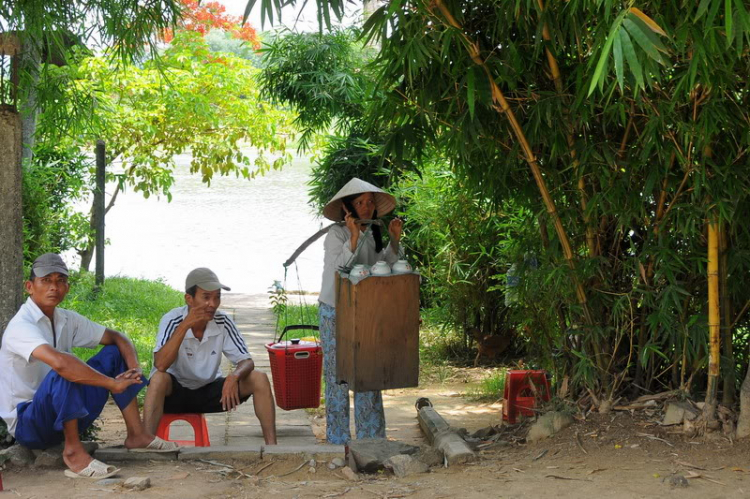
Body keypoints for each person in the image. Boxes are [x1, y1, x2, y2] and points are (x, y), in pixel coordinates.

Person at [0, 253, 177, 480]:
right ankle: (73, 451)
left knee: (114, 352)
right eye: (46, 281)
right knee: (65, 370)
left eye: (60, 281)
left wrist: (134, 368)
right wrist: (112, 383)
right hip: (30, 424)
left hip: (62, 415)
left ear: (67, 286)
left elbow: (117, 337)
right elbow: (62, 365)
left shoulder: (65, 318)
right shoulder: (21, 326)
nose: (54, 287)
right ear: (29, 287)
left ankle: (137, 434)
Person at [142, 268, 277, 445]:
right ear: (189, 299)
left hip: (210, 392)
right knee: (158, 379)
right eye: (206, 297)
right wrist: (184, 326)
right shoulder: (172, 319)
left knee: (259, 378)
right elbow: (160, 364)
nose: (212, 304)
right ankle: (145, 442)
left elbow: (246, 360)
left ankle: (272, 447)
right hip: (174, 394)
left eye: (217, 297)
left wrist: (234, 377)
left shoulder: (222, 321)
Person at [318, 178, 403, 444]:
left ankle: (371, 437)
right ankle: (338, 438)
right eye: (360, 202)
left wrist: (394, 240)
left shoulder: (373, 231)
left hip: (366, 310)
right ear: (348, 207)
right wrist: (353, 237)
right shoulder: (337, 234)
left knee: (368, 371)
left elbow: (384, 267)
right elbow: (339, 270)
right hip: (335, 310)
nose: (366, 207)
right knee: (337, 375)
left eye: (369, 202)